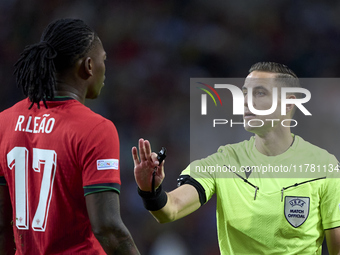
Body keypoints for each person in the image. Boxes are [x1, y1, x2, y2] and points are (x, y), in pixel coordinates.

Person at [132, 62, 340, 254]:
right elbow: (171, 209)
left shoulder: (324, 166)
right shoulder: (224, 162)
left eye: (259, 93)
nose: (247, 101)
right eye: (245, 93)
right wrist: (151, 191)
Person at [0, 18, 140, 255]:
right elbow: (108, 228)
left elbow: (2, 223)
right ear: (88, 65)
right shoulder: (95, 129)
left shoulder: (4, 121)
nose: (105, 69)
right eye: (103, 60)